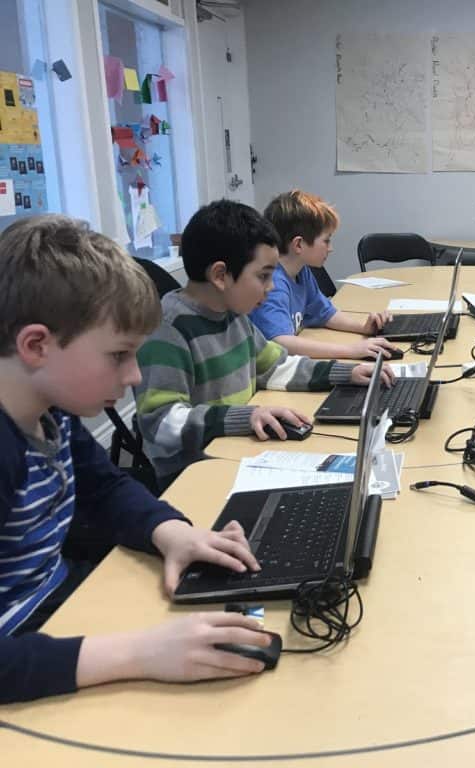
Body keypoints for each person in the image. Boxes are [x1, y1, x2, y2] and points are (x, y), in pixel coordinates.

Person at [0, 215, 272, 704]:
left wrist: (174, 534)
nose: (133, 377)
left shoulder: (49, 412)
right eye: (119, 355)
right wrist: (138, 654)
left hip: (61, 607)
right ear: (36, 345)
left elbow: (106, 487)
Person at [135, 200, 392, 490]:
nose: (271, 287)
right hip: (193, 474)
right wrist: (246, 416)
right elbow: (161, 422)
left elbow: (275, 366)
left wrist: (344, 372)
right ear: (220, 276)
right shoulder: (168, 329)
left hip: (239, 452)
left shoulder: (234, 315)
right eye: (263, 276)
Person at [251, 189, 399, 360]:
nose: (330, 248)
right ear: (298, 245)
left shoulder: (301, 271)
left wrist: (364, 328)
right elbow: (281, 343)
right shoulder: (273, 284)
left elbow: (326, 314)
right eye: (326, 241)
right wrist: (350, 350)